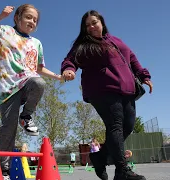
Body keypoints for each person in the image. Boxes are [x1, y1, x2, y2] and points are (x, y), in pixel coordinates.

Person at [60, 10, 153, 180]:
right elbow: (70, 60)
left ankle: (100, 157)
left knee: (128, 126)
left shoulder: (115, 40)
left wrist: (143, 76)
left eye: (94, 22)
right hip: (101, 88)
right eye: (87, 25)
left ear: (101, 22)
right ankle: (122, 171)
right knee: (115, 125)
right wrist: (68, 70)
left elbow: (131, 58)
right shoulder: (83, 44)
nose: (91, 27)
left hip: (126, 88)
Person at [0, 4, 64, 179]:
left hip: (27, 83)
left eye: (35, 20)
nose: (32, 21)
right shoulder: (4, 32)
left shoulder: (36, 43)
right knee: (8, 129)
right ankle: (4, 169)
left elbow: (39, 68)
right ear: (17, 18)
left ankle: (26, 116)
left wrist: (58, 76)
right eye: (28, 17)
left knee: (38, 83)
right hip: (8, 88)